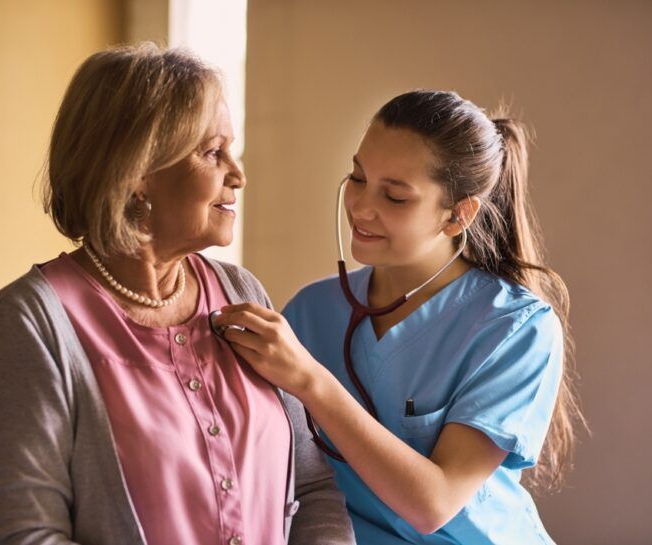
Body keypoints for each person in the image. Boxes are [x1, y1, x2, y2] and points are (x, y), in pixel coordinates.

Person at [0, 42, 355, 545]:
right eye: (212, 152)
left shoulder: (242, 291)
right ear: (138, 173)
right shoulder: (34, 320)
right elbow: (26, 534)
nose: (237, 175)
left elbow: (312, 486)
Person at [212, 90, 585, 544]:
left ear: (457, 216)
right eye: (357, 177)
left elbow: (434, 504)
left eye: (394, 197)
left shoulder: (515, 327)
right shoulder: (311, 312)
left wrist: (312, 381)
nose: (361, 207)